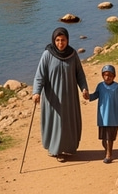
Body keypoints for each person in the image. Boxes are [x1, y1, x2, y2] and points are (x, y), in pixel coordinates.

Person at [32, 28, 88, 161]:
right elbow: (39, 76)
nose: (60, 43)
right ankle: (56, 150)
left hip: (69, 97)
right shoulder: (47, 55)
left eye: (63, 40)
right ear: (53, 40)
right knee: (57, 123)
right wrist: (36, 92)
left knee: (68, 122)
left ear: (67, 40)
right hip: (53, 97)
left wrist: (84, 89)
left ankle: (67, 148)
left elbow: (79, 74)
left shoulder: (73, 54)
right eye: (57, 40)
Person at [87, 64, 118, 163]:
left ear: (114, 76)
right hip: (102, 116)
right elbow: (96, 95)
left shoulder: (117, 87)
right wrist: (88, 96)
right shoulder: (100, 86)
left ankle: (109, 154)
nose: (107, 77)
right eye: (105, 75)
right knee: (103, 138)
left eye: (110, 75)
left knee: (110, 137)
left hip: (113, 116)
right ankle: (107, 151)